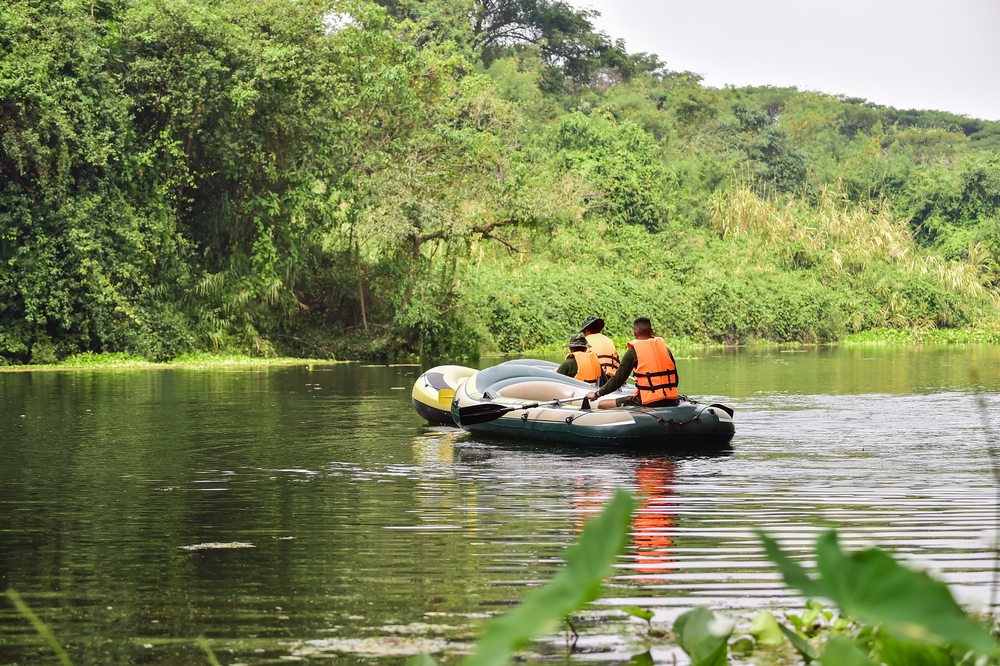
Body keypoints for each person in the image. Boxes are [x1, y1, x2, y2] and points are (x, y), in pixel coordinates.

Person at [586, 317, 678, 408]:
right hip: (672, 400)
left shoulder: (633, 352)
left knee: (602, 404)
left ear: (635, 333)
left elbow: (618, 380)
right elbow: (676, 381)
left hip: (647, 402)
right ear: (651, 331)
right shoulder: (666, 350)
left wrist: (597, 394)